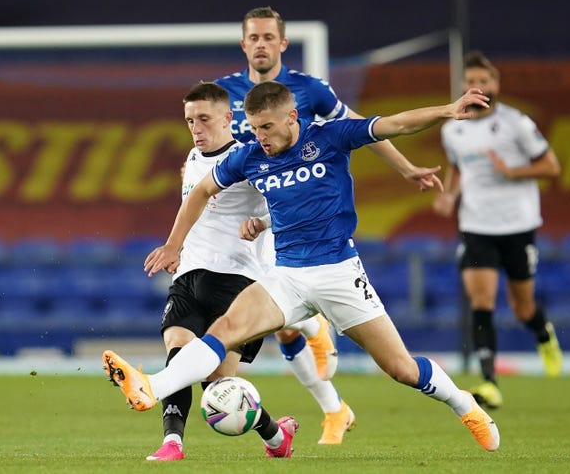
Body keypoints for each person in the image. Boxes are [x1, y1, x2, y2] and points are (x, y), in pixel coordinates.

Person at [103, 80, 500, 453]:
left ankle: (462, 403)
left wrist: (448, 109)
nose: (261, 138)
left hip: (339, 273)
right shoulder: (251, 156)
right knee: (222, 330)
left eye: (268, 128)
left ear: (292, 118)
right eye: (255, 128)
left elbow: (394, 124)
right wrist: (175, 244)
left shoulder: (329, 137)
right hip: (287, 276)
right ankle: (151, 386)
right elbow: (204, 189)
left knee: (401, 369)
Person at [213, 7, 442, 442]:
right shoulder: (224, 94)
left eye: (268, 37)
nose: (260, 44)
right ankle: (332, 399)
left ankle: (326, 384)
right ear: (243, 45)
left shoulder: (309, 90)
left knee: (276, 318)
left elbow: (357, 127)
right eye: (253, 38)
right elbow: (209, 151)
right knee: (272, 323)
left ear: (282, 43)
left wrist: (407, 168)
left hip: (293, 213)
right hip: (246, 217)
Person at [122, 82, 298, 461]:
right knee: (179, 355)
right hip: (189, 275)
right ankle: (173, 443)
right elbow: (192, 204)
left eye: (203, 119)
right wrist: (175, 247)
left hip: (239, 281)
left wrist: (261, 222)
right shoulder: (193, 157)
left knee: (218, 383)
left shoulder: (252, 158)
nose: (196, 128)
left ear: (228, 118)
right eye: (189, 121)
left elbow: (286, 205)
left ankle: (274, 435)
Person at [432, 51, 563, 409]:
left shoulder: (516, 123)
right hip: (476, 226)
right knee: (482, 301)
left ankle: (543, 332)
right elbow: (457, 167)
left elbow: (552, 167)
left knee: (522, 308)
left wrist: (512, 172)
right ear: (463, 85)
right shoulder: (453, 128)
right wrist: (450, 196)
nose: (478, 87)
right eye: (471, 81)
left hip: (518, 226)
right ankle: (489, 382)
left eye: (484, 81)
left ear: (496, 85)